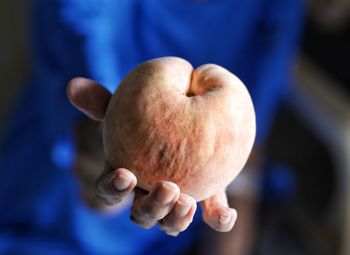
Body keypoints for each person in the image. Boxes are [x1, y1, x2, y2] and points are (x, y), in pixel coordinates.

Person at [0, 0, 305, 254]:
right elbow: (81, 43)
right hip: (53, 214)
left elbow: (250, 147)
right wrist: (104, 150)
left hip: (180, 227)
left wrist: (227, 242)